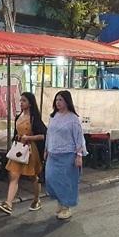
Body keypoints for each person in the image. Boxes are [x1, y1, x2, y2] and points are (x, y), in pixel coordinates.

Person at [0, 92, 47, 215]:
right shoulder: (19, 116)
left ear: (30, 103)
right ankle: (8, 203)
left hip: (30, 150)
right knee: (14, 175)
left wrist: (29, 138)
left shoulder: (35, 118)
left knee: (33, 176)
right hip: (18, 148)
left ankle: (36, 199)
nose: (21, 103)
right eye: (21, 101)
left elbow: (43, 135)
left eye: (24, 100)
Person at [44, 90, 88, 220]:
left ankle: (66, 206)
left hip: (67, 155)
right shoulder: (53, 117)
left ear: (67, 101)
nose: (58, 102)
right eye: (56, 100)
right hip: (53, 153)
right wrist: (46, 149)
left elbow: (79, 138)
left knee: (66, 182)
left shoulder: (73, 119)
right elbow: (49, 134)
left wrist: (79, 155)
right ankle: (60, 201)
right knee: (50, 178)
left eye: (61, 100)